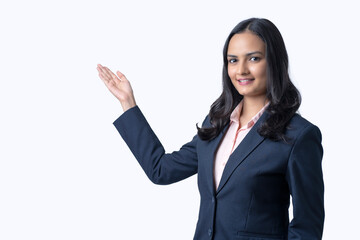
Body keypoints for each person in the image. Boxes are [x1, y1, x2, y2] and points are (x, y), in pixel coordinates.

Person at [97, 18, 324, 240]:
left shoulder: (298, 136)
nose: (241, 70)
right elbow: (161, 170)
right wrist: (128, 103)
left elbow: (307, 227)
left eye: (254, 58)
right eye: (233, 60)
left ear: (274, 61)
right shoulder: (216, 123)